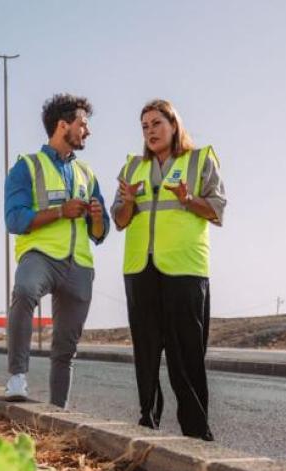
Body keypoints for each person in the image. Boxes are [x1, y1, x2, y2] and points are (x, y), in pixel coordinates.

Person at [112, 99, 226, 440]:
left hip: (185, 270)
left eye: (157, 123)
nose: (150, 131)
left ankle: (196, 432)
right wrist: (128, 201)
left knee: (186, 355)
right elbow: (119, 220)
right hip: (141, 269)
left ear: (174, 125)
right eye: (144, 126)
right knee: (145, 352)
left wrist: (188, 199)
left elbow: (217, 211)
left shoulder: (200, 160)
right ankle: (148, 423)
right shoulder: (132, 168)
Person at [4, 93, 110, 406]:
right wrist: (61, 212)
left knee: (66, 347)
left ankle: (58, 411)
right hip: (41, 256)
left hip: (79, 264)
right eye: (83, 124)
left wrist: (95, 218)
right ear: (63, 125)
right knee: (24, 291)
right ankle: (16, 378)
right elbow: (14, 219)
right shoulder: (27, 167)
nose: (87, 131)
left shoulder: (87, 174)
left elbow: (101, 232)